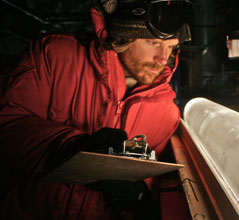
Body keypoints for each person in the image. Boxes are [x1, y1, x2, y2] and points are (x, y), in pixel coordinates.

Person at [0, 0, 194, 219]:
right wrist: (72, 146)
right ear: (124, 36)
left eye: (171, 47)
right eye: (153, 42)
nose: (162, 58)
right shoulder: (54, 57)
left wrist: (141, 194)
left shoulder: (166, 112)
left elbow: (150, 174)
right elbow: (6, 119)